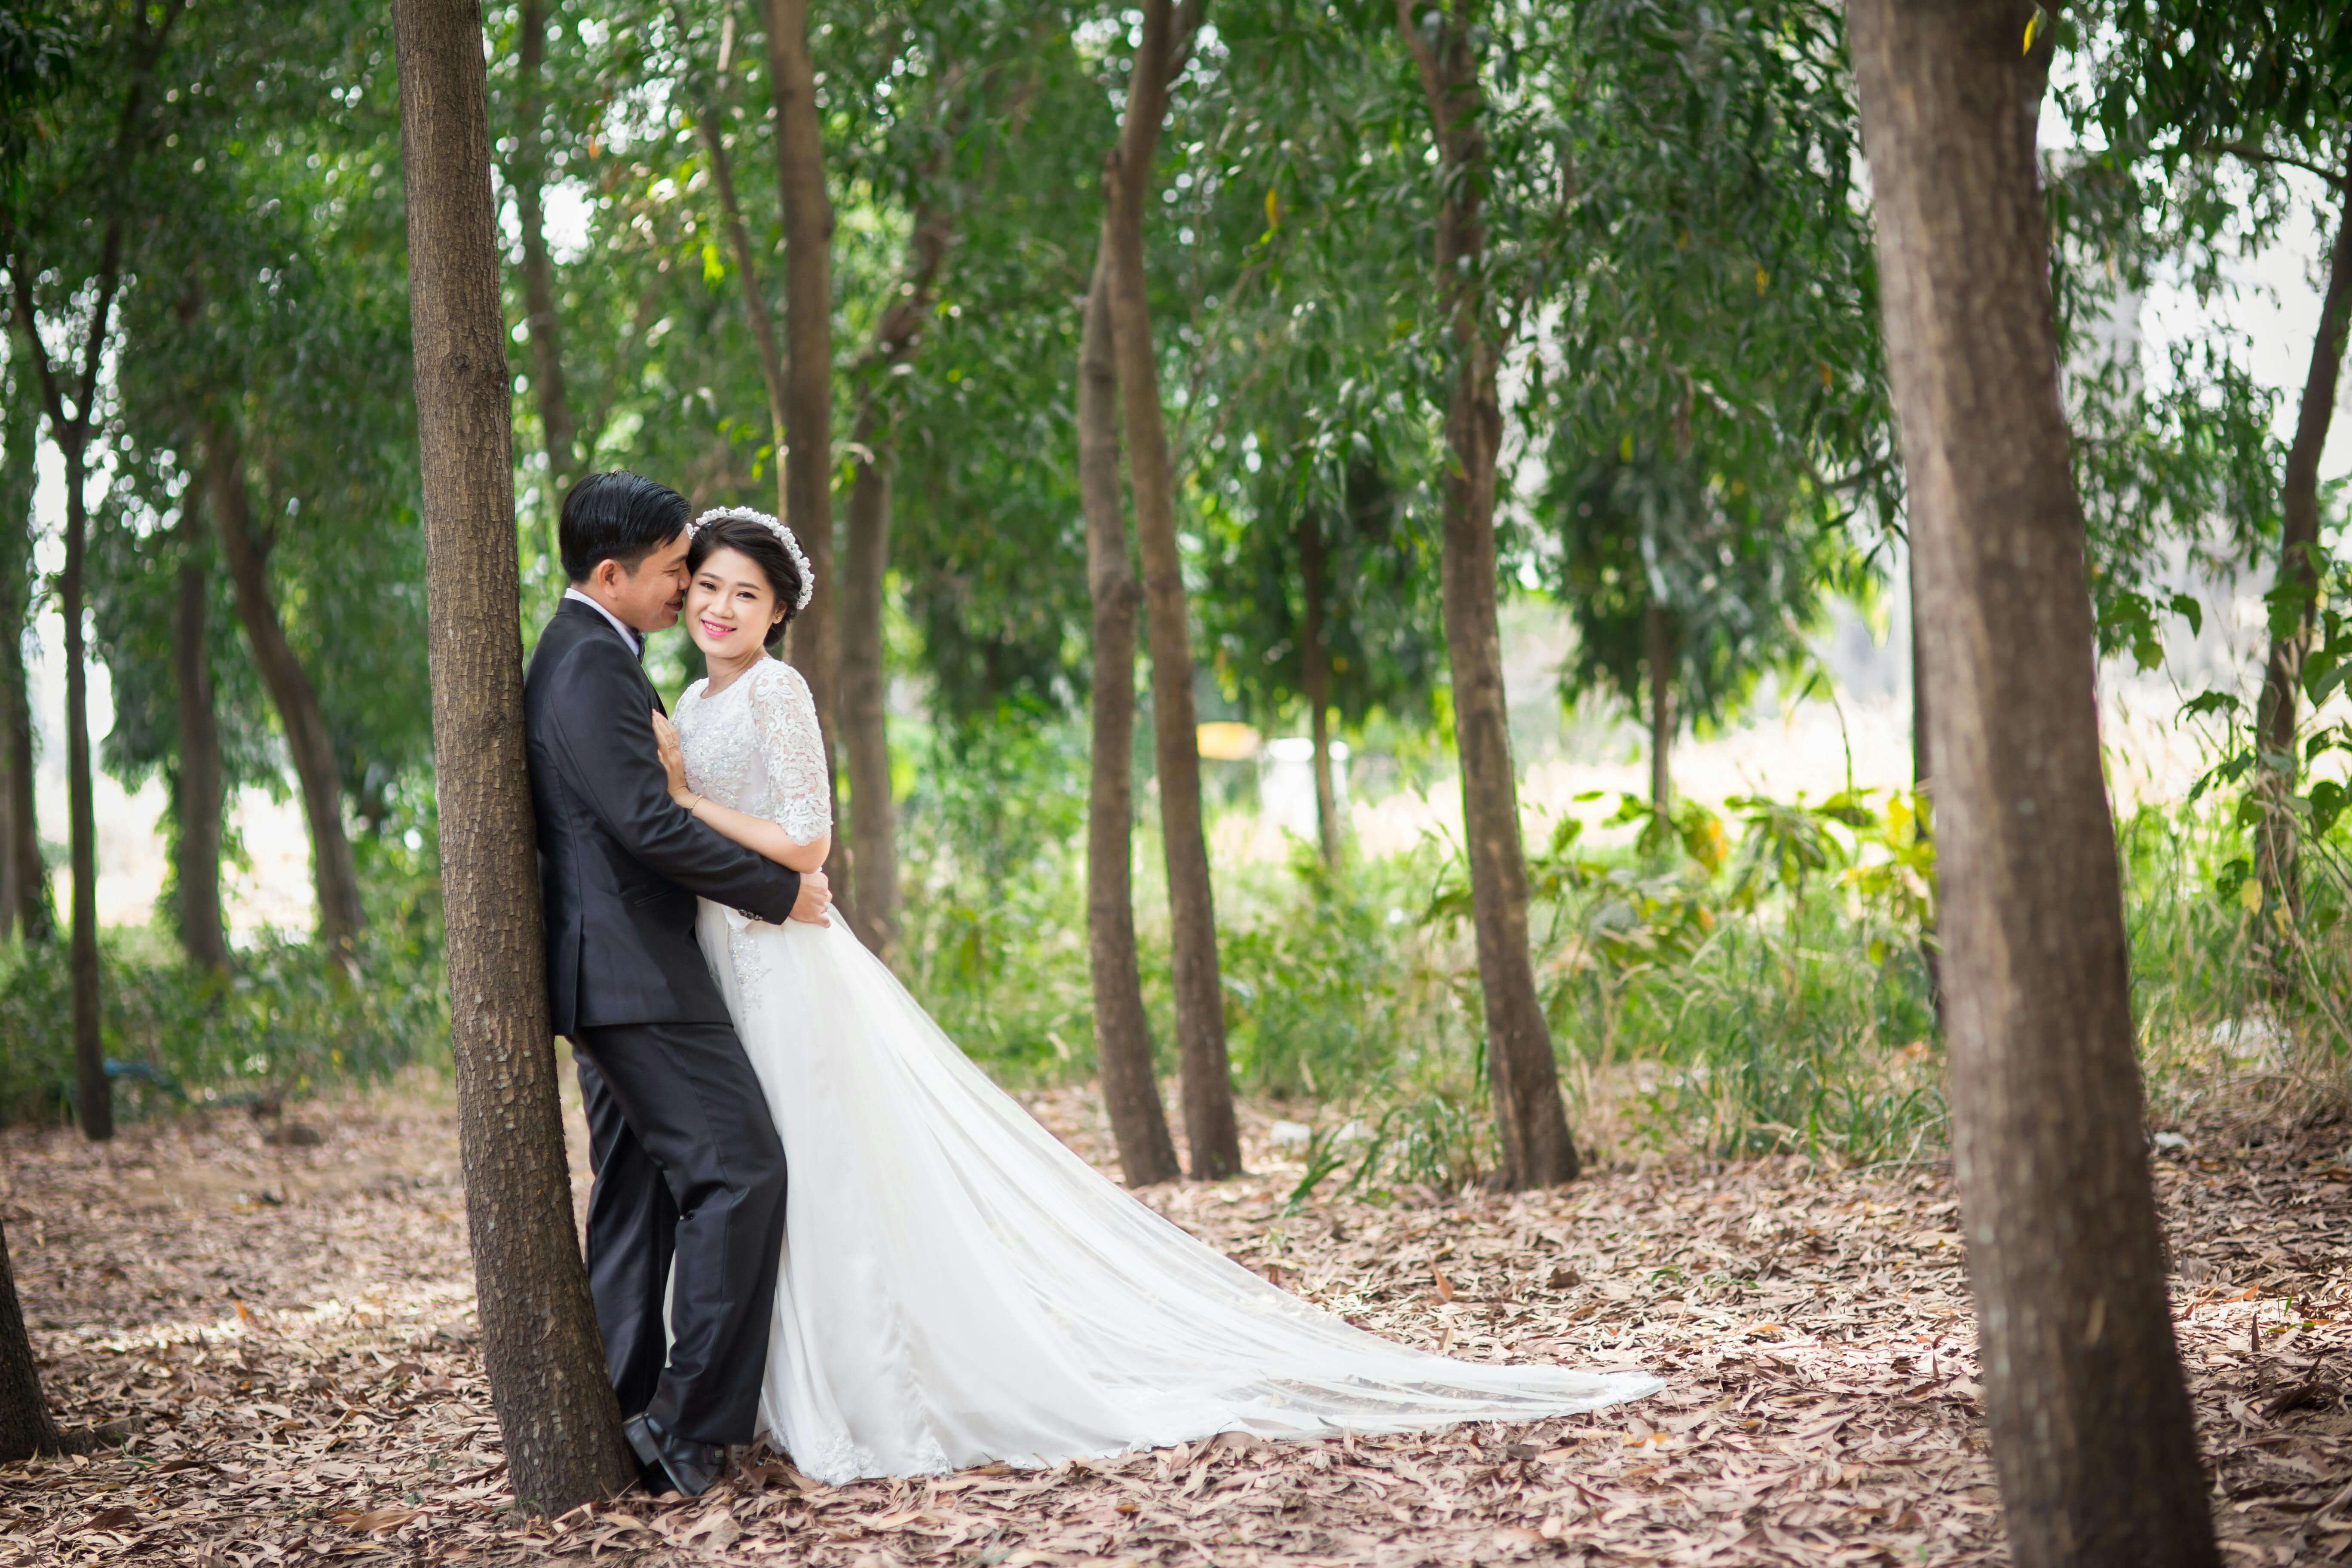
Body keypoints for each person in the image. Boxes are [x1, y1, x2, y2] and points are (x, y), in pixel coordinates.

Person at [653, 504, 1663, 1486]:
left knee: (820, 1170)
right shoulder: (693, 703)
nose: (724, 610)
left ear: (780, 613)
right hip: (724, 954)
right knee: (768, 1170)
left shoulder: (776, 692)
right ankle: (776, 1390)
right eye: (708, 588)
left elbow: (808, 842)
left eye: (747, 595)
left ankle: (861, 1387)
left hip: (783, 959)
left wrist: (690, 801)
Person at [523, 472, 833, 1499]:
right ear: (611, 575)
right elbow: (647, 824)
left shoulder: (597, 656)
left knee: (639, 1198)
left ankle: (621, 1412)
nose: (687, 593)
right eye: (674, 573)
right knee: (742, 1173)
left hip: (618, 970)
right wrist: (776, 893)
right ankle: (690, 1432)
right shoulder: (591, 669)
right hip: (638, 977)